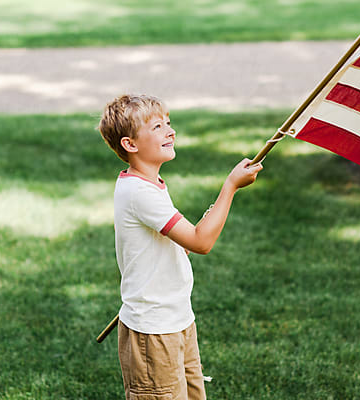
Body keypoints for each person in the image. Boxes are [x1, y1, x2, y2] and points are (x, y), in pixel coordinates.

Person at [97, 94, 263, 399]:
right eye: (158, 126)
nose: (170, 131)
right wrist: (230, 187)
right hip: (154, 329)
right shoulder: (139, 192)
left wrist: (178, 245)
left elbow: (178, 241)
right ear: (130, 144)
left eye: (169, 123)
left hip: (177, 318)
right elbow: (201, 242)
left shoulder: (151, 183)